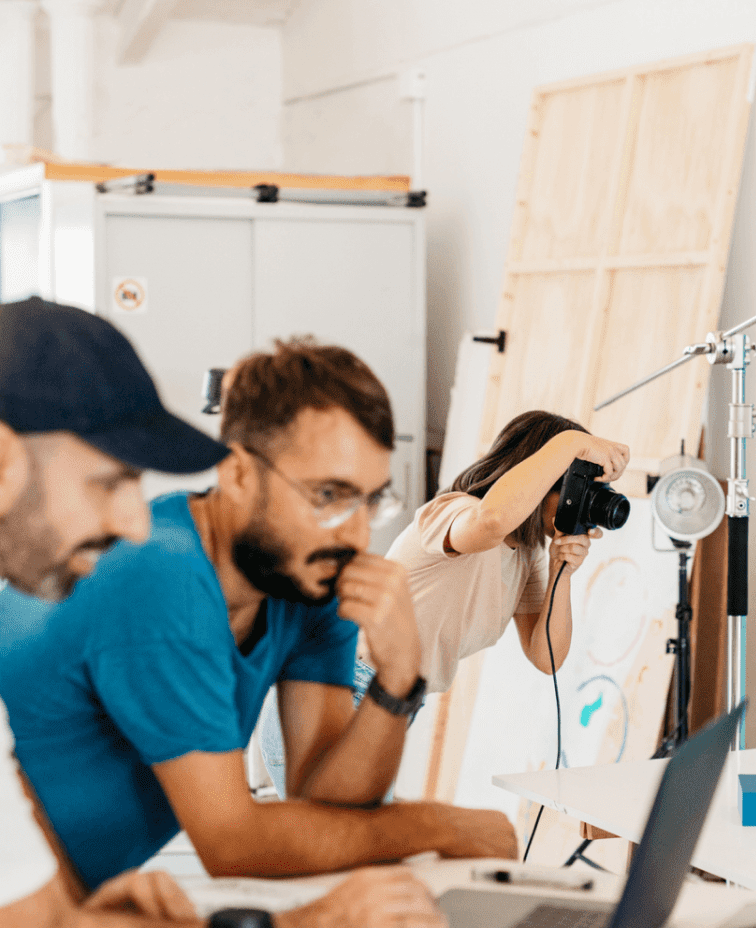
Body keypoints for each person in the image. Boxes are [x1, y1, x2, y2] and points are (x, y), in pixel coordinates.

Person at [0, 335, 516, 895]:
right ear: (239, 474)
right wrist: (435, 824)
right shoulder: (161, 573)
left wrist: (400, 678)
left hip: (58, 895)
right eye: (328, 495)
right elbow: (232, 843)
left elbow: (324, 802)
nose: (357, 532)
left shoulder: (304, 576)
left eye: (370, 500)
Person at [387, 410, 629, 694]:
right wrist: (573, 444)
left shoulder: (526, 556)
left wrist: (561, 572)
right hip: (354, 674)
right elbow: (492, 521)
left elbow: (547, 658)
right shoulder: (453, 512)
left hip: (402, 697)